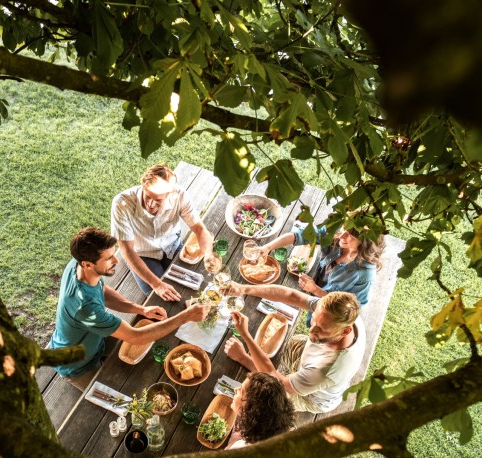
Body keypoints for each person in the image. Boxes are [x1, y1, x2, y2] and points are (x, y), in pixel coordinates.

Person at [47, 228, 210, 390]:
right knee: (122, 393)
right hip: (78, 366)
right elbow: (136, 337)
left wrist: (140, 309)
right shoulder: (85, 307)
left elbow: (102, 291)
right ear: (88, 264)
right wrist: (185, 316)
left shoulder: (78, 266)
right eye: (110, 258)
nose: (117, 261)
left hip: (94, 340)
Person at [223, 286, 364, 413]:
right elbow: (292, 295)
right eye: (313, 320)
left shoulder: (325, 371)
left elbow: (276, 384)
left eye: (321, 329)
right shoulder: (339, 313)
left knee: (267, 398)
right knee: (294, 343)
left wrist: (245, 344)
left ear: (346, 331)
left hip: (312, 397)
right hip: (307, 364)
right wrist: (244, 289)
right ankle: (289, 373)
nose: (311, 330)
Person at [110, 164, 213, 301]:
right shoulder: (121, 203)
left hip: (172, 247)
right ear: (143, 186)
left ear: (170, 194)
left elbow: (200, 230)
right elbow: (127, 250)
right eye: (148, 197)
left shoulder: (179, 195)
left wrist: (208, 254)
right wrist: (157, 284)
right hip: (142, 255)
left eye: (158, 200)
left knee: (195, 285)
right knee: (160, 299)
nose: (151, 204)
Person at [259, 223, 385, 306]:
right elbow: (300, 235)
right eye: (343, 229)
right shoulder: (336, 233)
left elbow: (349, 307)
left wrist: (315, 290)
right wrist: (267, 247)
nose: (341, 235)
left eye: (350, 235)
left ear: (365, 241)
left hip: (327, 301)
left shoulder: (365, 275)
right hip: (319, 278)